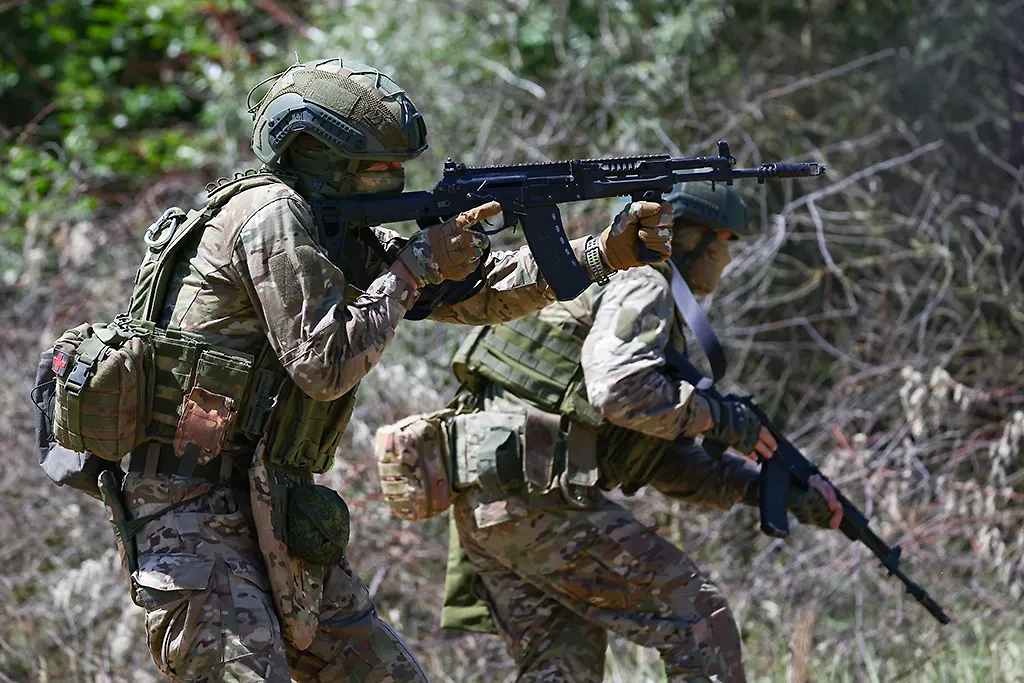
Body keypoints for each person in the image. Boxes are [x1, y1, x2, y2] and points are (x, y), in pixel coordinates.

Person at [94, 58, 672, 682]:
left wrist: (601, 254)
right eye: (376, 167)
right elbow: (323, 363)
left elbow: (472, 292)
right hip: (192, 516)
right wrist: (417, 266)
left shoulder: (332, 230)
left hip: (269, 506)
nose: (393, 180)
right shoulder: (271, 216)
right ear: (318, 154)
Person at [437, 181, 843, 683]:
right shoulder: (644, 281)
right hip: (532, 496)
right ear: (695, 239)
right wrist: (720, 420)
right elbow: (620, 389)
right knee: (700, 622)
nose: (728, 257)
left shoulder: (599, 282)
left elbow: (654, 460)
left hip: (493, 494)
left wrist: (760, 489)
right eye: (726, 241)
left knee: (563, 664)